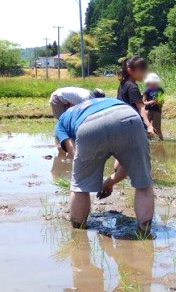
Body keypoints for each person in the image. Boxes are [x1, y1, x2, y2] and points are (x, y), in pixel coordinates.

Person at [54, 98, 154, 232]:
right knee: (143, 183)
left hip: (89, 125)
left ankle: (79, 232)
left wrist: (85, 175)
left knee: (80, 186)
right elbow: (127, 165)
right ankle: (145, 231)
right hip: (127, 116)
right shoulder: (102, 101)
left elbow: (73, 151)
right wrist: (109, 182)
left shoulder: (61, 122)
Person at [117, 56, 154, 137]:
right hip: (132, 124)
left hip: (122, 123)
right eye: (141, 71)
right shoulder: (132, 87)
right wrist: (149, 126)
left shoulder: (123, 84)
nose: (144, 74)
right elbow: (141, 108)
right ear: (130, 71)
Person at [143, 73, 165, 141]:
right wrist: (150, 102)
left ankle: (161, 140)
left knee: (157, 127)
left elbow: (162, 101)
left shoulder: (160, 90)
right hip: (148, 110)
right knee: (146, 126)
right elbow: (143, 102)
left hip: (157, 110)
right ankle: (147, 140)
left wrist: (158, 102)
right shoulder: (147, 90)